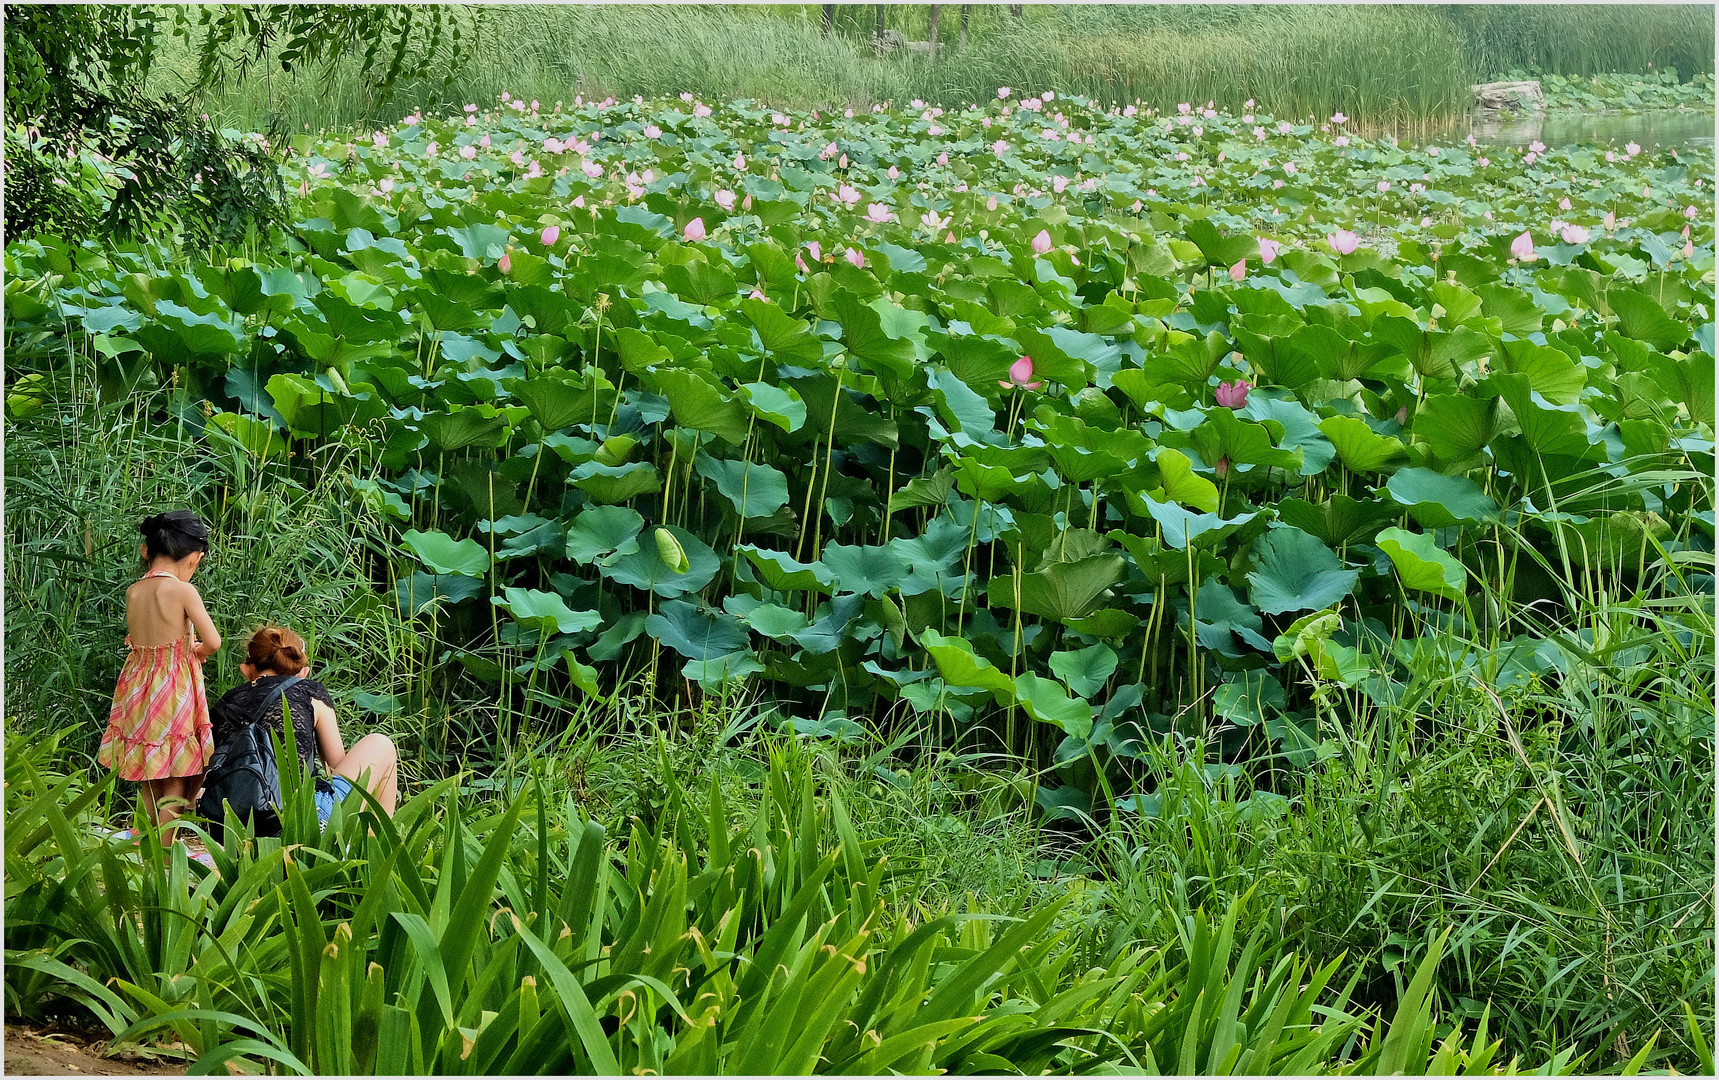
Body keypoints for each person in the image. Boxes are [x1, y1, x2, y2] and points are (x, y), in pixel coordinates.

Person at [98, 511, 220, 846]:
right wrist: (197, 651)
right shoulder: (183, 591)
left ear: (145, 551)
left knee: (151, 770)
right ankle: (164, 849)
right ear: (194, 559)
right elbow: (213, 641)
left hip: (138, 686)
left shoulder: (134, 592)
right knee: (180, 773)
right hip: (174, 688)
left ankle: (145, 839)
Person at [209, 625, 399, 824]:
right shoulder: (309, 693)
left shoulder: (225, 702)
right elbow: (334, 767)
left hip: (230, 823)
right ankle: (376, 846)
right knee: (381, 744)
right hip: (302, 820)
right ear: (303, 672)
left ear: (246, 670)